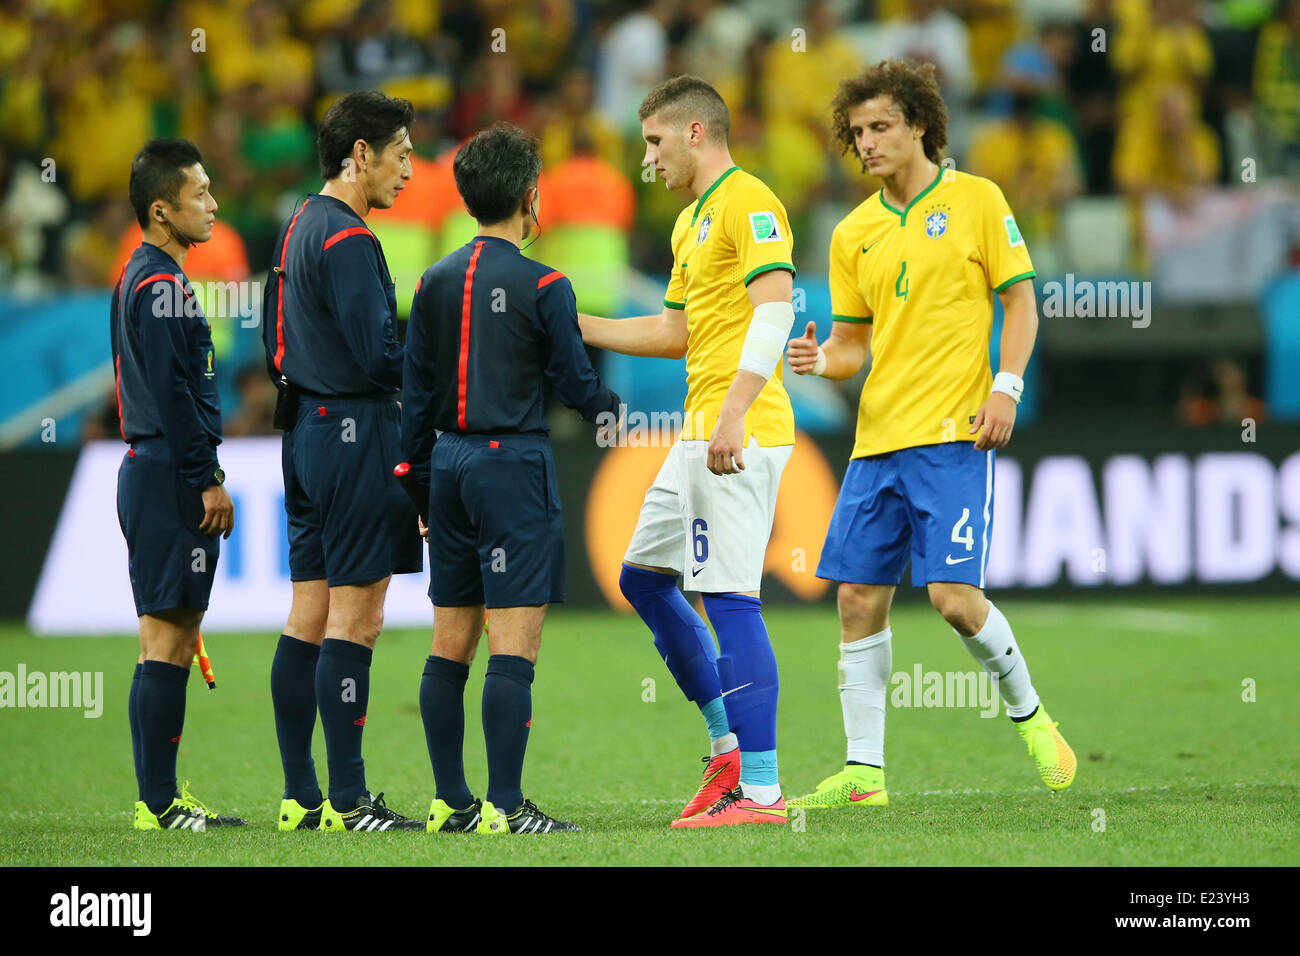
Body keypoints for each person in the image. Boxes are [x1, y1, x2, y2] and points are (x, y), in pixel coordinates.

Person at [784, 60, 1076, 810]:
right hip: (877, 440)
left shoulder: (977, 199)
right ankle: (864, 776)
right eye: (857, 133)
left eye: (881, 126)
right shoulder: (854, 233)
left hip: (953, 436)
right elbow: (854, 343)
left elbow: (1021, 305)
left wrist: (1004, 387)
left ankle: (1031, 714)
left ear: (919, 124)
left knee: (951, 597)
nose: (868, 143)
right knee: (856, 600)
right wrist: (823, 361)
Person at [579, 76, 797, 828]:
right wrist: (583, 325)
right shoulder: (689, 223)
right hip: (699, 432)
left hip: (740, 430)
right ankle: (727, 749)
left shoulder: (750, 201)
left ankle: (761, 792)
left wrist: (733, 414)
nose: (648, 159)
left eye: (654, 141)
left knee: (730, 595)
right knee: (643, 577)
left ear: (696, 132)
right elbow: (676, 333)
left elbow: (777, 307)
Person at [403, 124, 621, 835]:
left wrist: (418, 489)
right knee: (514, 645)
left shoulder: (431, 282)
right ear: (532, 195)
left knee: (450, 642)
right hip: (512, 466)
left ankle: (449, 801)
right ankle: (505, 805)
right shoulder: (545, 284)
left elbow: (416, 398)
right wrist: (617, 412)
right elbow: (574, 385)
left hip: (448, 466)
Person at [262, 91, 424, 833]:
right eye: (401, 155)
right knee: (356, 621)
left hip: (302, 434)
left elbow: (272, 342)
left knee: (310, 614)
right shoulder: (351, 240)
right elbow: (380, 358)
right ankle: (349, 802)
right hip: (355, 433)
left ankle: (302, 796)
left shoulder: (297, 224)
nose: (409, 172)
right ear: (361, 155)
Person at [112, 138, 243, 831]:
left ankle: (161, 800)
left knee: (170, 637)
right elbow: (173, 395)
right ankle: (159, 805)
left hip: (156, 470)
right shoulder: (161, 287)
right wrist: (207, 480)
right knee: (166, 643)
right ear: (162, 209)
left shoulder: (142, 275)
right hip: (169, 475)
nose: (214, 204)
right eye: (200, 194)